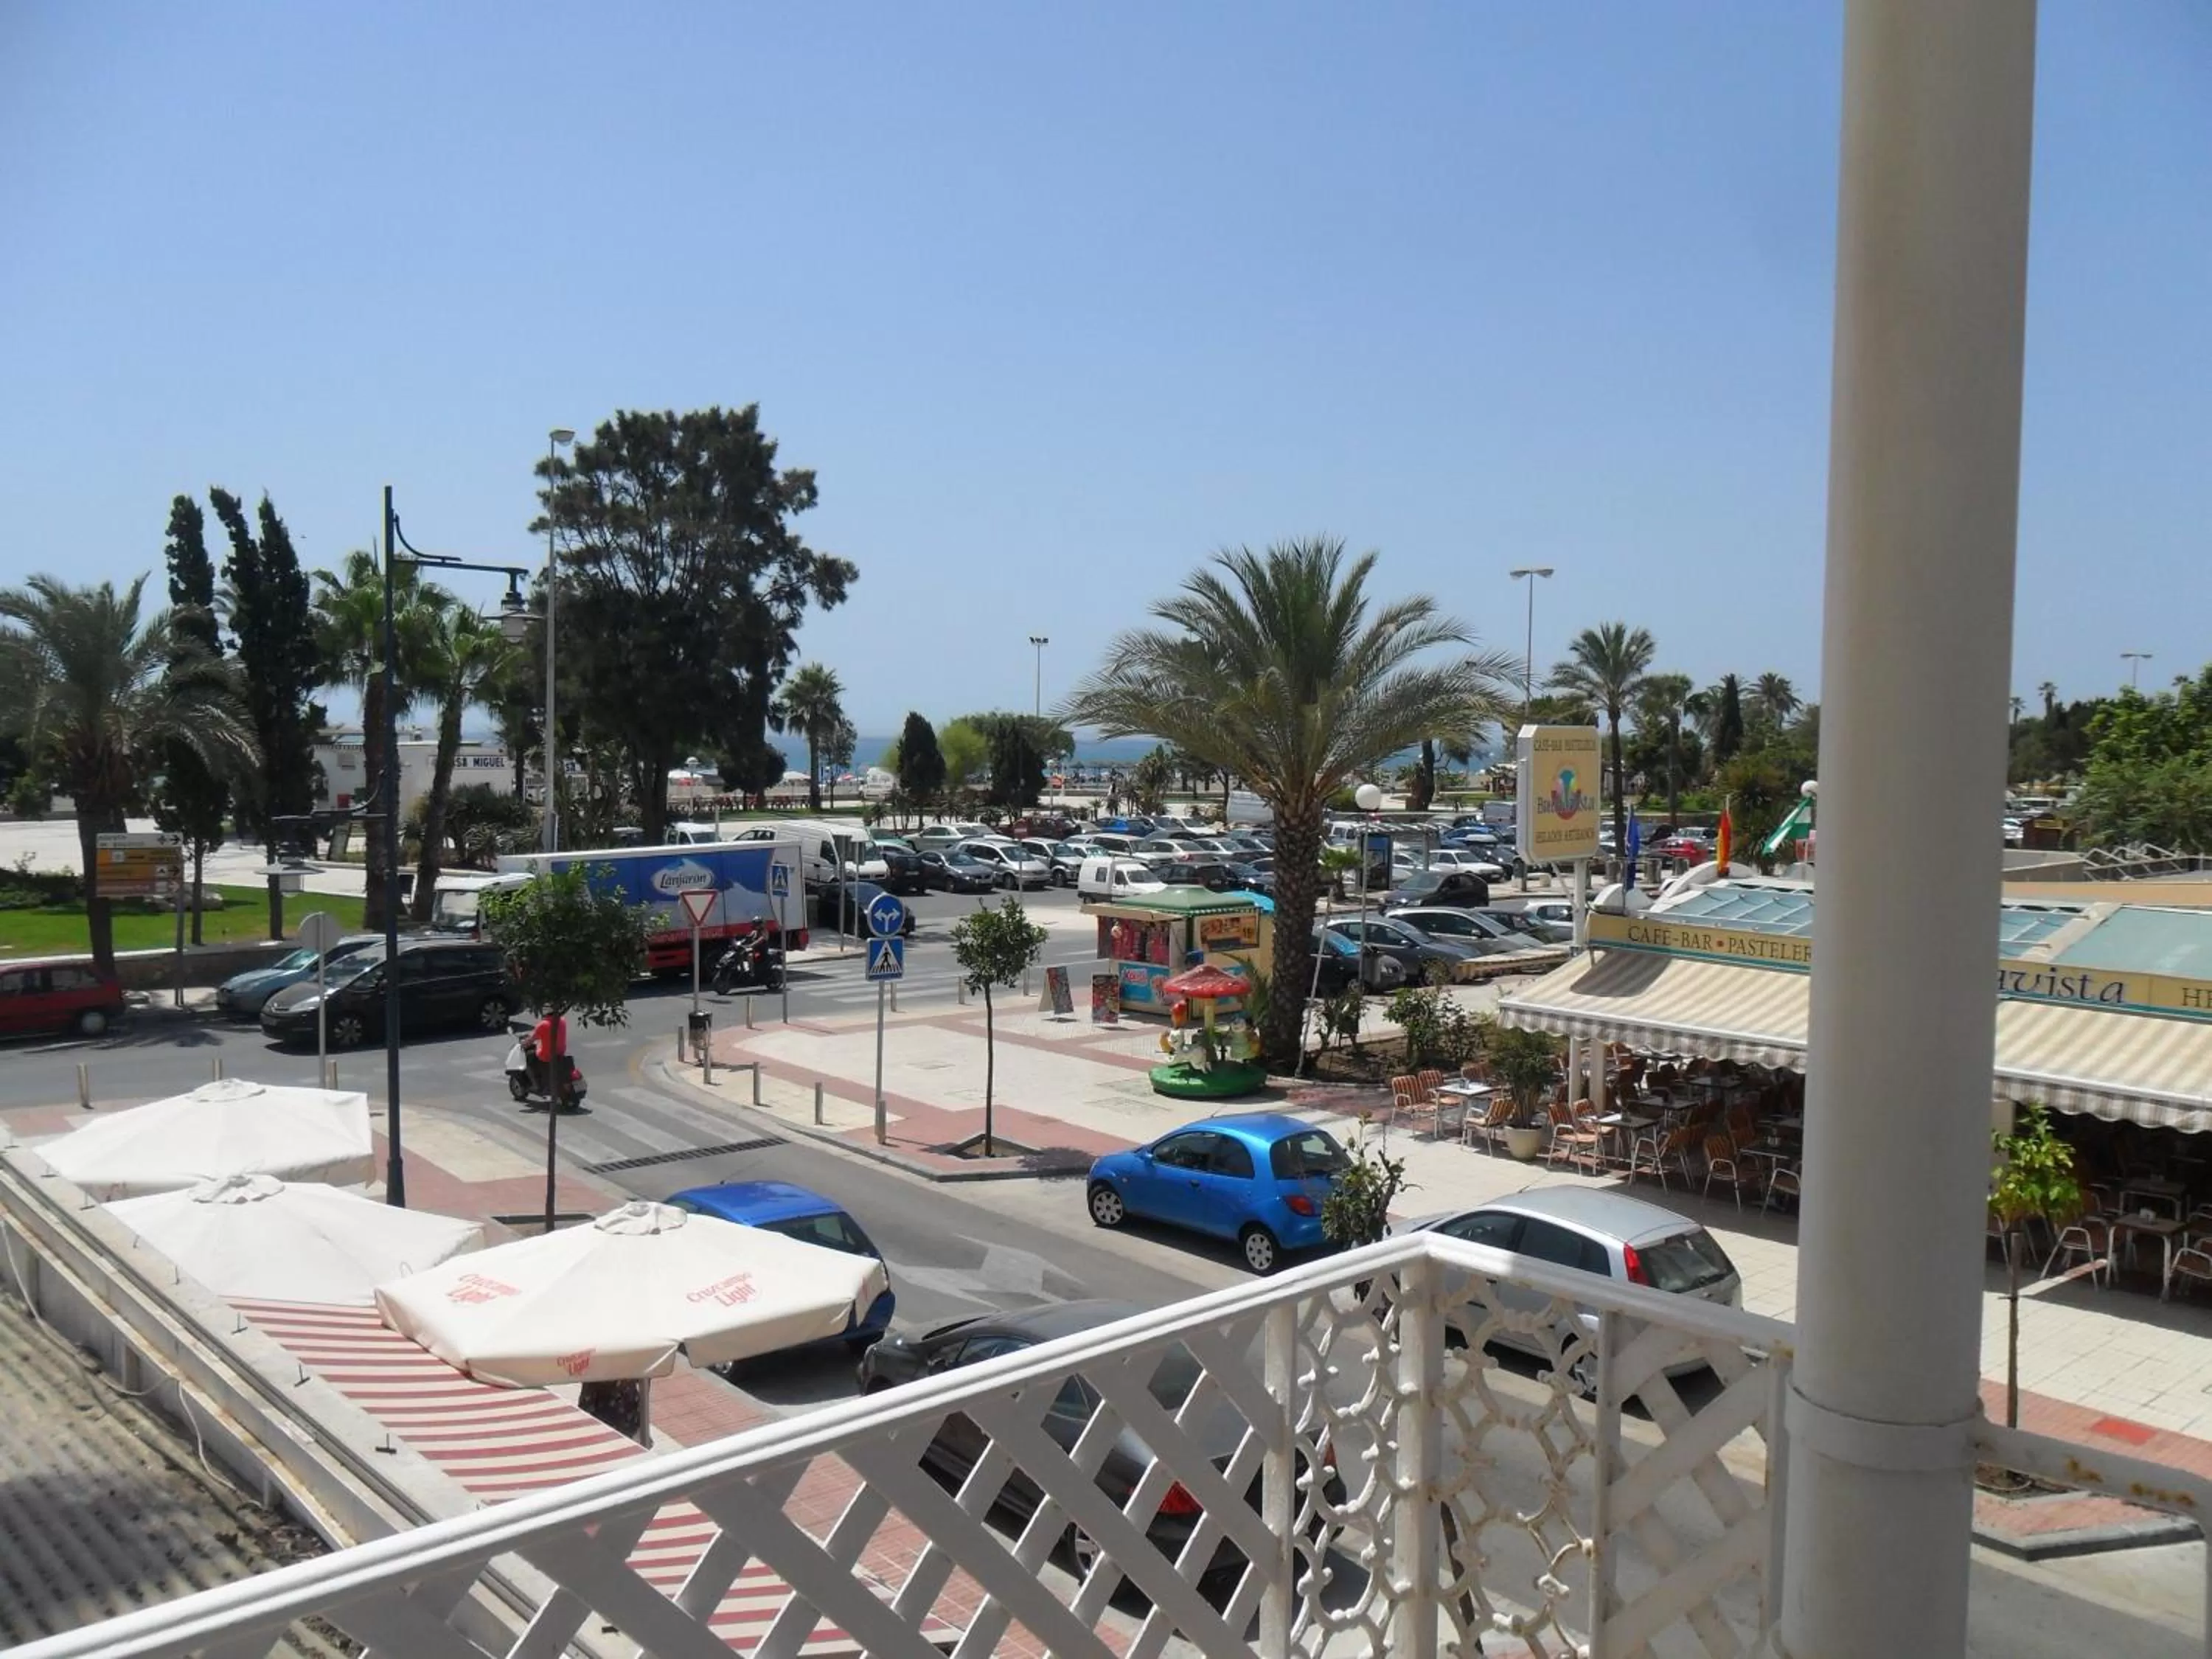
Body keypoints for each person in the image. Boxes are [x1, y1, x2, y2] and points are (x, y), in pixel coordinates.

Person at [530, 1010, 570, 1101]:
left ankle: (536, 1084)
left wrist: (524, 1044)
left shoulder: (543, 1025)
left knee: (531, 1057)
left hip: (547, 1056)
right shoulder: (562, 1020)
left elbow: (531, 1040)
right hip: (560, 1053)